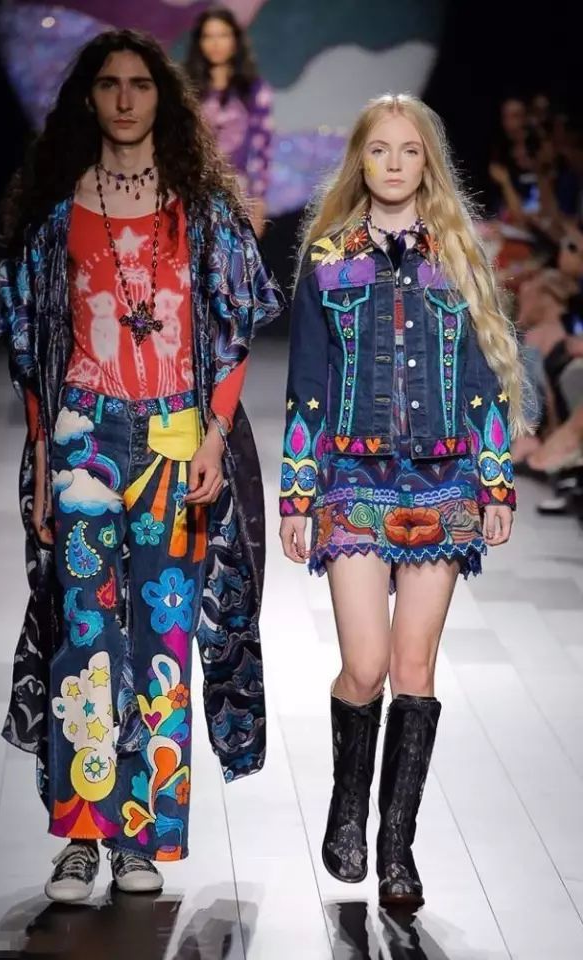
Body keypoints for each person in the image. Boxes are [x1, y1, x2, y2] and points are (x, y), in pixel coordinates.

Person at [0, 28, 282, 904]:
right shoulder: (56, 213)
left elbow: (233, 325)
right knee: (86, 633)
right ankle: (83, 835)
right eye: (110, 84)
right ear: (88, 97)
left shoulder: (201, 206)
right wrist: (41, 460)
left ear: (164, 97)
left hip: (173, 435)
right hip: (81, 434)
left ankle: (141, 836)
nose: (125, 99)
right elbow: (33, 351)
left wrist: (213, 434)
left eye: (141, 84)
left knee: (164, 637)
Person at [279, 94, 527, 908]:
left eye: (409, 150)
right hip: (352, 481)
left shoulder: (459, 252)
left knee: (414, 665)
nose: (393, 164)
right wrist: (296, 495)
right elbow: (308, 385)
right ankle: (348, 804)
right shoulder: (328, 258)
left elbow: (486, 375)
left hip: (444, 479)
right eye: (379, 149)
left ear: (428, 162)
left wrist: (494, 480)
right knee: (366, 665)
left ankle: (395, 848)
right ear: (360, 159)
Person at [185, 6, 273, 238]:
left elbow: (261, 149)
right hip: (192, 193)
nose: (216, 44)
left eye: (223, 35)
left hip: (238, 195)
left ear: (235, 40)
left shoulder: (253, 90)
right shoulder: (185, 89)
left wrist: (259, 202)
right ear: (199, 42)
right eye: (208, 36)